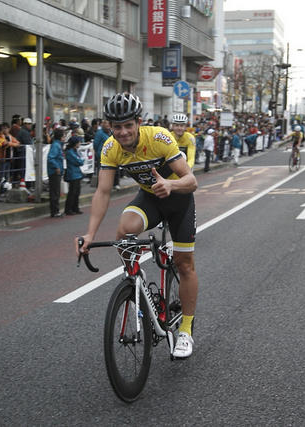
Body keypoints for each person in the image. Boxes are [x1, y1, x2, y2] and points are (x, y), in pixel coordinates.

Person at [76, 93, 199, 358]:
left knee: (184, 263)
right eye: (116, 126)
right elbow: (103, 193)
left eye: (128, 125)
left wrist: (171, 184)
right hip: (151, 198)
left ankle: (186, 330)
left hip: (178, 199)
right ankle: (136, 279)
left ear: (139, 122)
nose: (122, 132)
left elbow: (191, 181)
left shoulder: (159, 138)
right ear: (110, 126)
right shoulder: (110, 148)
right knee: (124, 230)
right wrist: (90, 234)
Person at [64, 131, 84, 215]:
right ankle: (69, 209)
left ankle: (75, 208)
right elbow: (79, 161)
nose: (80, 144)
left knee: (77, 192)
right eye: (79, 142)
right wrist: (81, 160)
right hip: (72, 174)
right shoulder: (70, 152)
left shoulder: (74, 151)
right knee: (72, 193)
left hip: (77, 174)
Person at [47, 127, 65, 217]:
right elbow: (51, 158)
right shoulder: (56, 145)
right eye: (63, 135)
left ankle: (55, 210)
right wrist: (57, 167)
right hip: (54, 171)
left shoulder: (58, 145)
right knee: (55, 191)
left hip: (56, 171)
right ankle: (54, 211)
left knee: (56, 191)